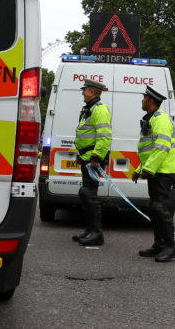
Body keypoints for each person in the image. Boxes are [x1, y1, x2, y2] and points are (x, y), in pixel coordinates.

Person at [131, 85, 175, 262]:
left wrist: (148, 169)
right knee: (155, 209)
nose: (142, 100)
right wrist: (139, 170)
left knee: (160, 210)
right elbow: (148, 150)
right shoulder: (151, 119)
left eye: (144, 98)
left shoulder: (161, 119)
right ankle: (159, 245)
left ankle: (170, 247)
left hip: (164, 171)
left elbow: (161, 147)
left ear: (150, 101)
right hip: (157, 171)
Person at [72, 79, 112, 246]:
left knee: (89, 194)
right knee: (85, 194)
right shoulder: (90, 109)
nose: (83, 92)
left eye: (85, 90)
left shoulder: (100, 110)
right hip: (87, 157)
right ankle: (90, 230)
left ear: (93, 91)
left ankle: (96, 233)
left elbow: (104, 136)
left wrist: (96, 157)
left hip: (93, 159)